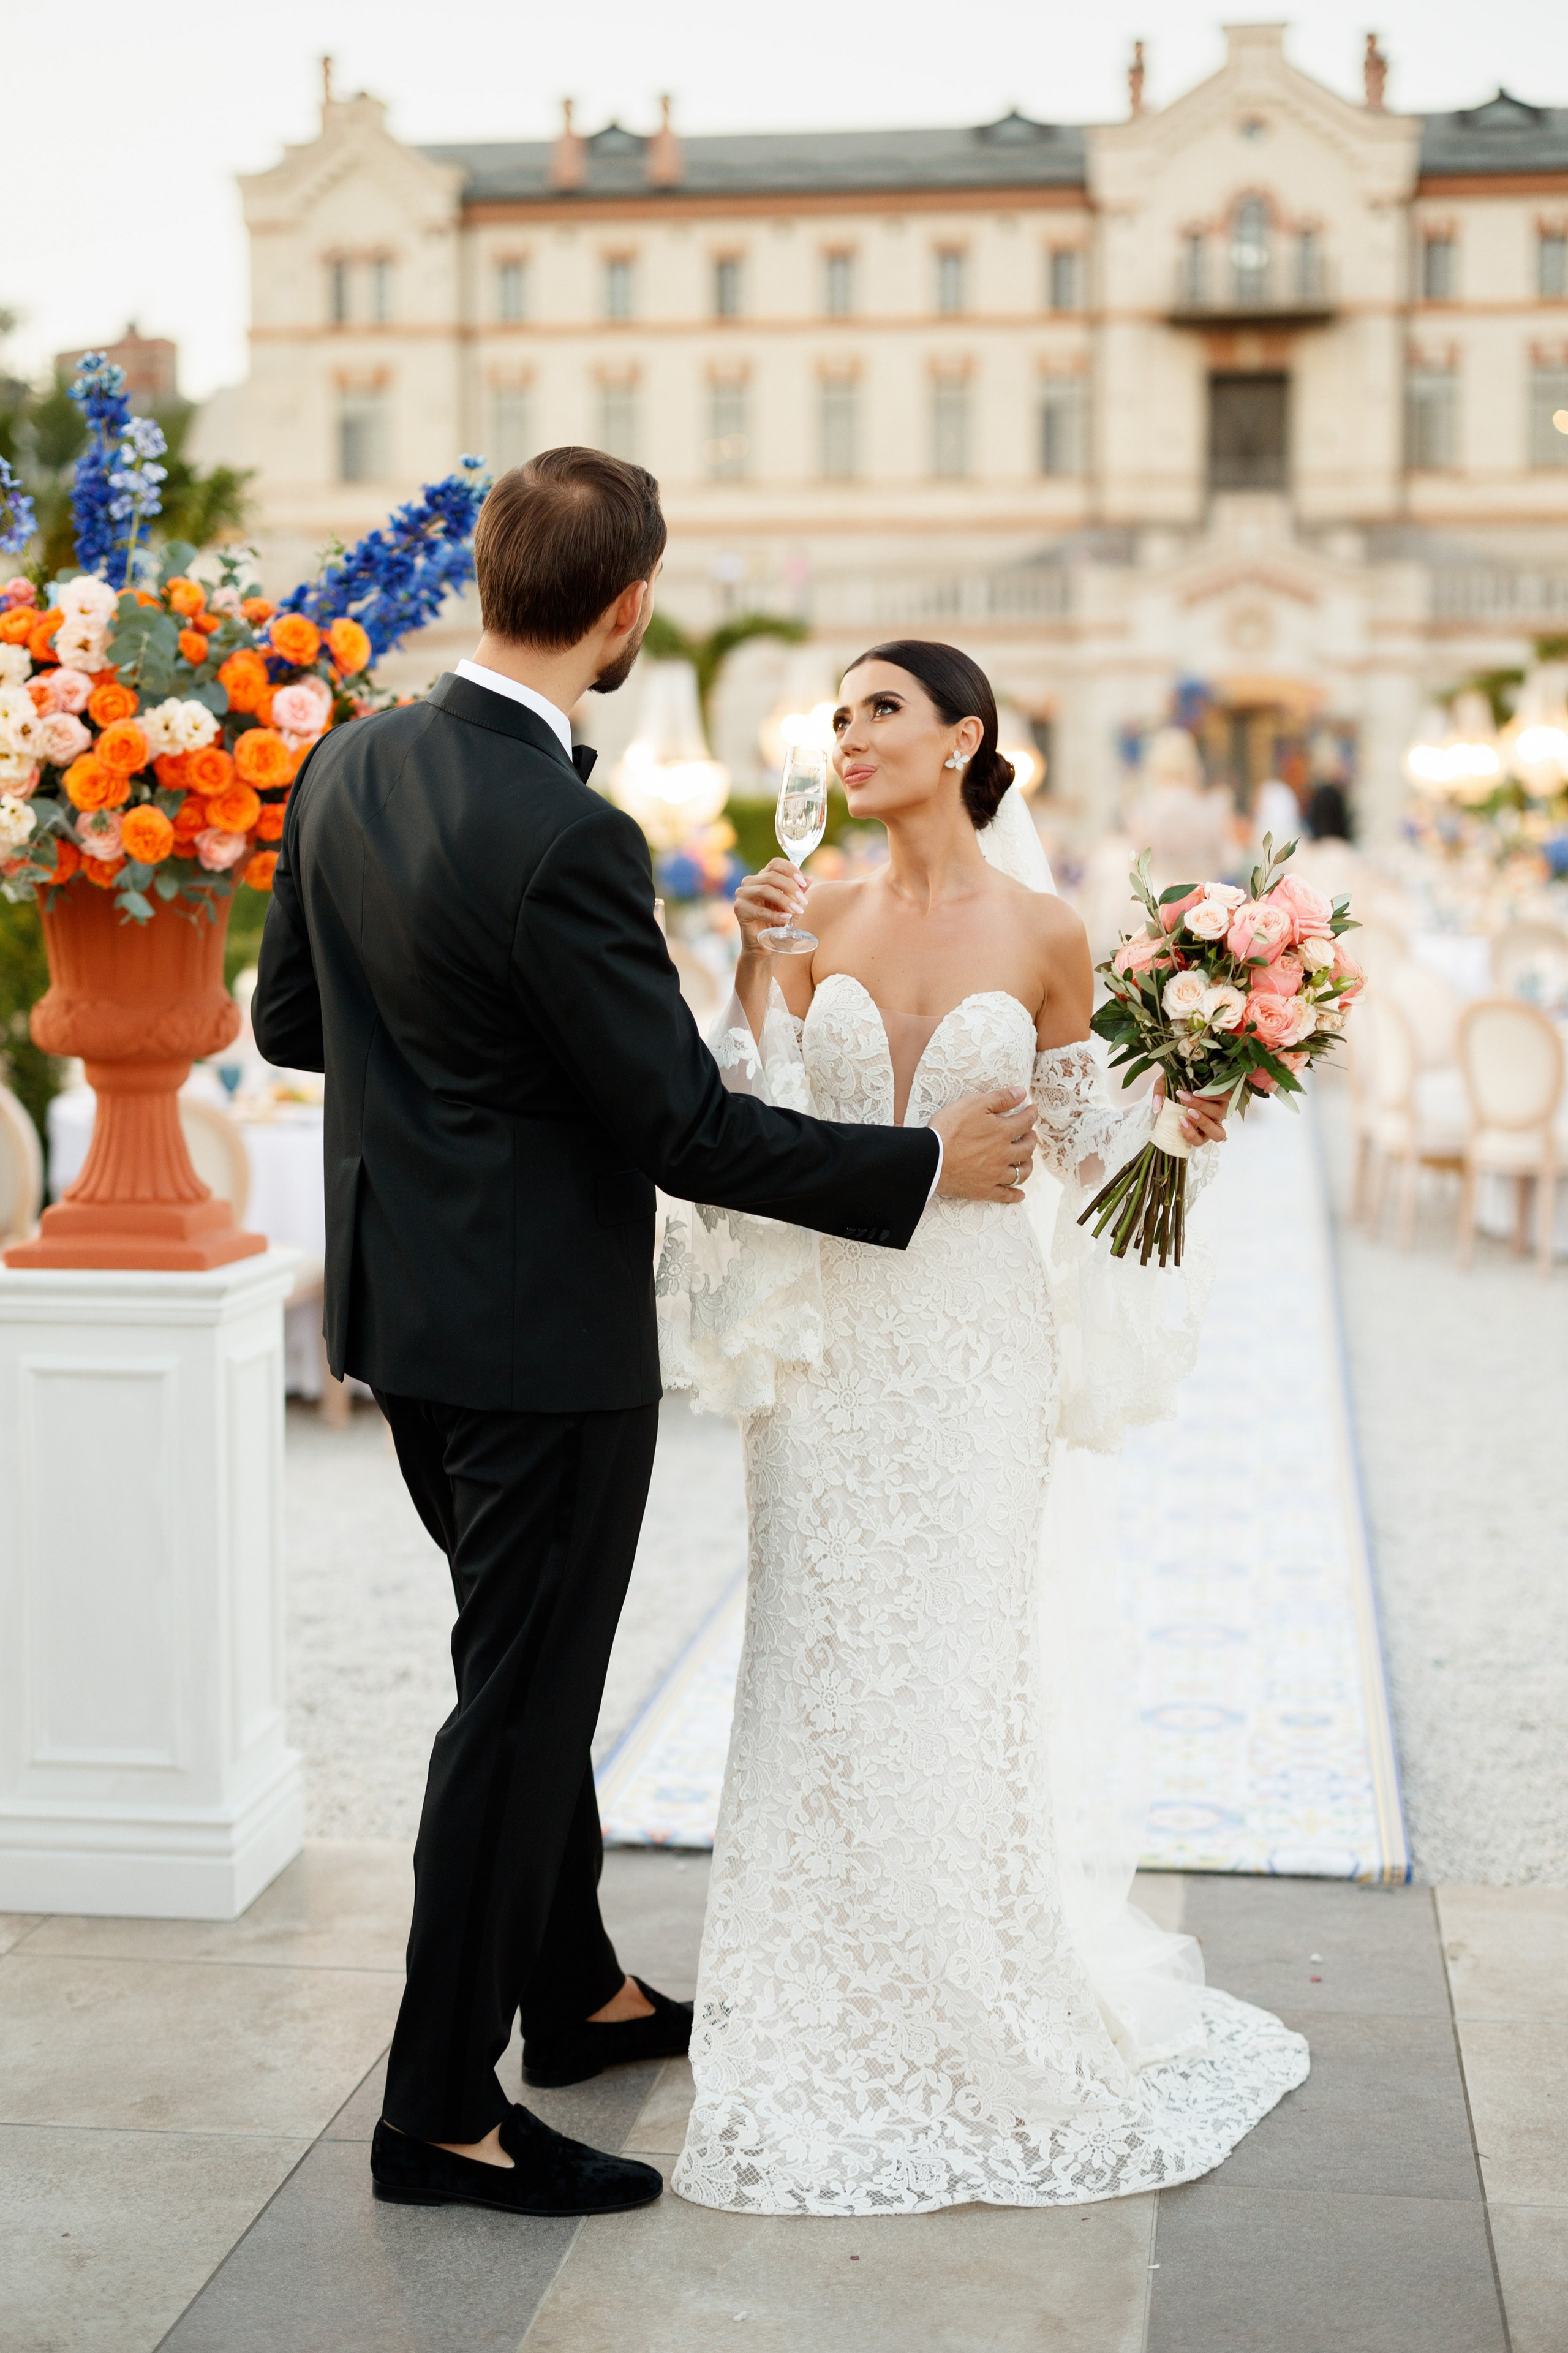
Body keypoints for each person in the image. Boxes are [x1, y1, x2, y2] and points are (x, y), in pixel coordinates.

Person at [252, 455, 1039, 2220]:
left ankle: (580, 1993)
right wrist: (923, 1164)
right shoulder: (567, 834)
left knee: (508, 1675)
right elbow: (684, 1126)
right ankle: (439, 2113)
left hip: (404, 1317)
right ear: (628, 610)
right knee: (517, 1715)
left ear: (486, 576)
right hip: (540, 1343)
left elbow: (296, 1019)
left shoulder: (348, 759)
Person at [658, 641, 1310, 2216]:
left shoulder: (1043, 928)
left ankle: (970, 1986)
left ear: (963, 737)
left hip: (971, 1343)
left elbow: (1085, 1143)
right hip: (834, 1341)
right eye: (838, 715)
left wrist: (1180, 1115)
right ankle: (816, 1997)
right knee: (816, 1655)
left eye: (879, 708)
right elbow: (734, 1122)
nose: (848, 735)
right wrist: (747, 968)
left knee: (953, 1668)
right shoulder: (803, 911)